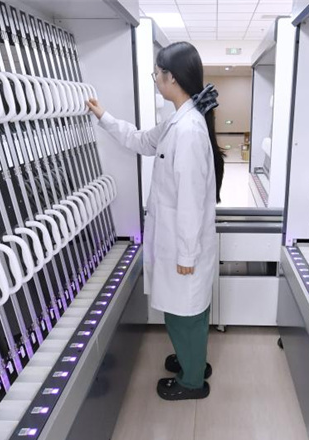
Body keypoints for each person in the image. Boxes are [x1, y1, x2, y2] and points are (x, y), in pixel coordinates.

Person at [86, 42, 225, 400]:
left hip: (184, 246)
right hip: (178, 241)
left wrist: (186, 255)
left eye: (157, 73)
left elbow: (191, 202)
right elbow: (141, 140)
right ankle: (192, 361)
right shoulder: (177, 123)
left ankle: (192, 382)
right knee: (186, 311)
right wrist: (104, 117)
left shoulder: (188, 131)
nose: (155, 79)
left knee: (184, 316)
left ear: (171, 78)